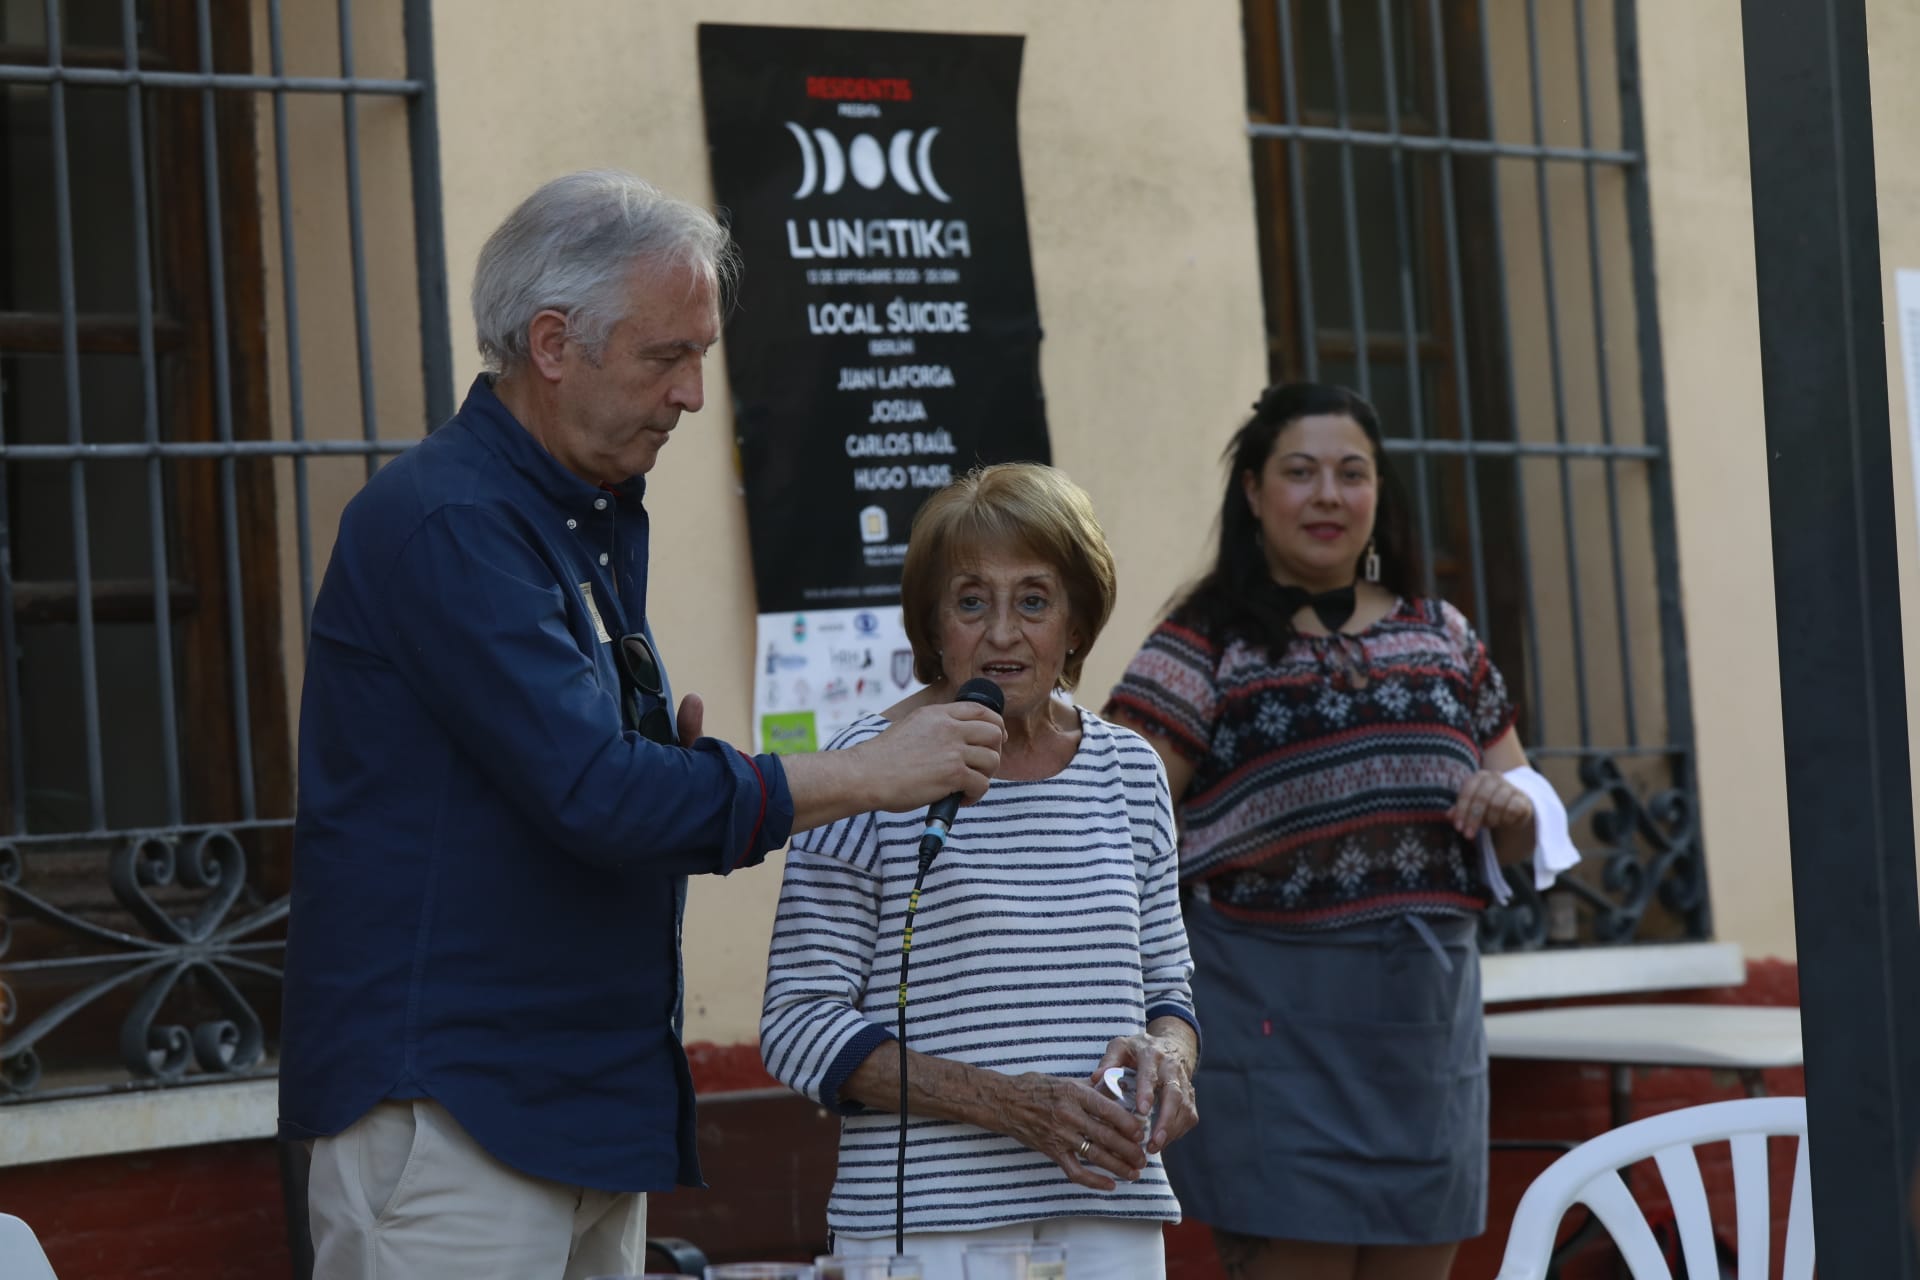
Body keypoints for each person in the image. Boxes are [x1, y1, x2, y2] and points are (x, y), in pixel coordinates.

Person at [278, 170, 1004, 1280]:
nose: (695, 395)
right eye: (668, 356)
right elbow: (598, 795)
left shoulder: (568, 511)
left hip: (566, 1099)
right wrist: (869, 773)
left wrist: (665, 771)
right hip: (456, 1114)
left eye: (701, 356)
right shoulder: (453, 521)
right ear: (555, 342)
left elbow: (582, 787)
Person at [1105, 383, 1573, 1280]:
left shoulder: (1445, 636)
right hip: (1270, 1033)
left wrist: (1512, 808)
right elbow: (1118, 816)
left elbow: (1523, 817)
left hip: (1425, 1041)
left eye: (1352, 473)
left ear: (1379, 494)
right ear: (1252, 491)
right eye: (1301, 472)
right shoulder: (1201, 644)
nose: (1328, 495)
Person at [760, 463, 1202, 1279]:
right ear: (934, 626)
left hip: (1110, 1210)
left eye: (1034, 600)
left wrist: (1170, 1057)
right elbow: (795, 1023)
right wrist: (1011, 1106)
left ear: (1076, 623)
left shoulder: (1129, 771)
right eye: (972, 602)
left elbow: (1169, 987)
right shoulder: (867, 770)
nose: (1002, 633)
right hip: (929, 1229)